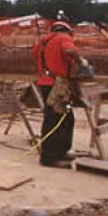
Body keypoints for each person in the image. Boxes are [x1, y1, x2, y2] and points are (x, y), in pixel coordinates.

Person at [32, 20, 82, 168]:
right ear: (67, 31)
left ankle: (61, 151)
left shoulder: (42, 41)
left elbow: (35, 55)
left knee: (65, 119)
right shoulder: (64, 38)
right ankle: (48, 158)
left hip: (46, 83)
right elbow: (69, 51)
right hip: (56, 85)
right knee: (54, 120)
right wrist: (79, 61)